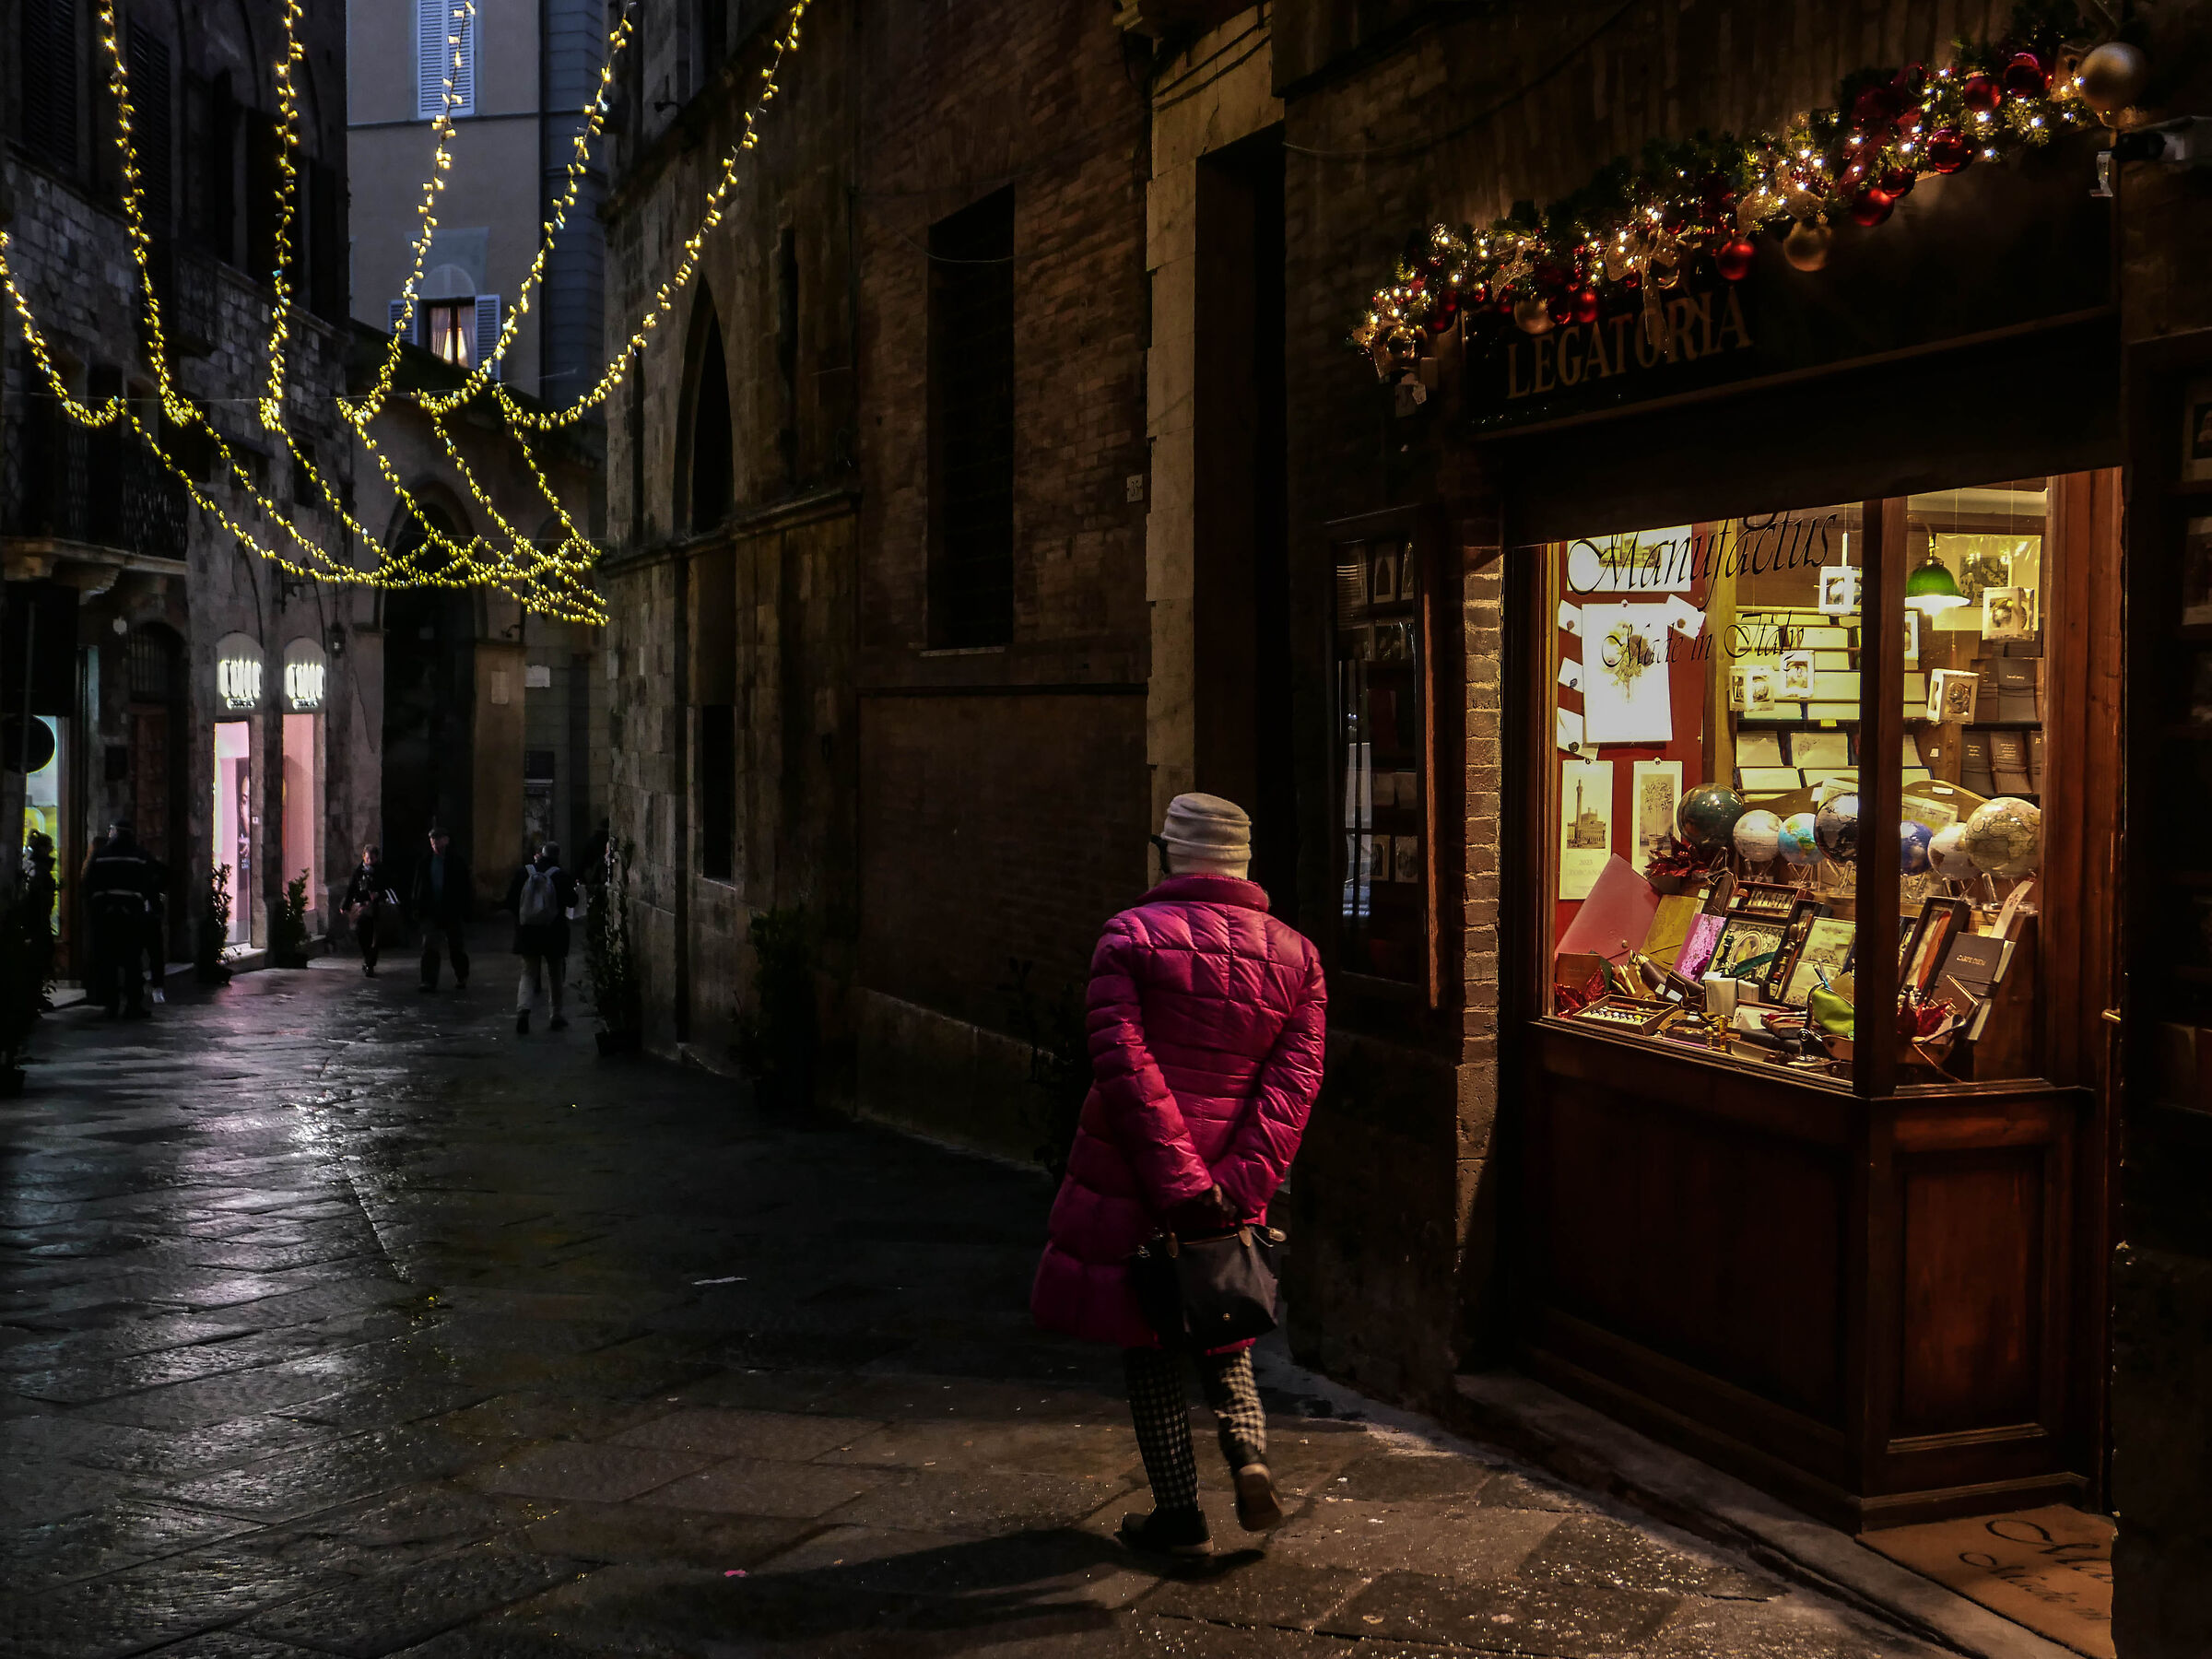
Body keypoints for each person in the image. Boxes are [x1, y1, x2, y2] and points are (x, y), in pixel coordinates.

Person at [1030, 793, 1326, 1559]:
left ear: (1172, 854)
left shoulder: (1129, 938)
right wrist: (1237, 1184)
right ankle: (1250, 1455)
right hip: (1232, 1186)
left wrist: (1180, 1181)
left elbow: (1124, 1066)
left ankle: (1177, 1512)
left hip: (1139, 1175)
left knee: (1150, 1344)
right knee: (1223, 1326)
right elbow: (1293, 1087)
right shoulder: (1297, 957)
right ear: (1242, 862)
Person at [82, 819, 165, 1018]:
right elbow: (157, 876)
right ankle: (133, 1005)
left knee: (108, 961)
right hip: (132, 917)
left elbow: (88, 884)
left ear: (115, 832)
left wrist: (95, 908)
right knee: (132, 962)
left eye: (110, 831)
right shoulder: (140, 856)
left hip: (106, 918)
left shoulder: (100, 856)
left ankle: (111, 1005)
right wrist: (149, 901)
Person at [501, 841, 578, 1034]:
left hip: (528, 932)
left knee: (528, 972)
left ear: (540, 854)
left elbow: (510, 901)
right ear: (557, 856)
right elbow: (572, 901)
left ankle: (523, 1011)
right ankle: (556, 1015)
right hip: (554, 932)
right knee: (555, 973)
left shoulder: (523, 872)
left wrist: (520, 921)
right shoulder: (560, 875)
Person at [409, 828, 471, 991]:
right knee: (429, 945)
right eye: (433, 840)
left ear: (446, 840)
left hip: (451, 910)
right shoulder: (425, 862)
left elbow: (465, 887)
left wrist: (465, 908)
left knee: (456, 946)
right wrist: (417, 907)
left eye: (438, 839)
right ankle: (428, 980)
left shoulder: (456, 862)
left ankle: (461, 976)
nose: (435, 843)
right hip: (431, 910)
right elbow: (418, 887)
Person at [342, 845, 390, 975]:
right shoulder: (358, 871)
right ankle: (367, 957)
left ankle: (370, 963)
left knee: (375, 937)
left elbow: (388, 886)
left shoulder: (381, 870)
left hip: (377, 908)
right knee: (362, 934)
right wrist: (345, 905)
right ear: (363, 856)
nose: (369, 861)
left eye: (372, 858)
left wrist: (379, 894)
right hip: (362, 908)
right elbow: (351, 889)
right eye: (367, 858)